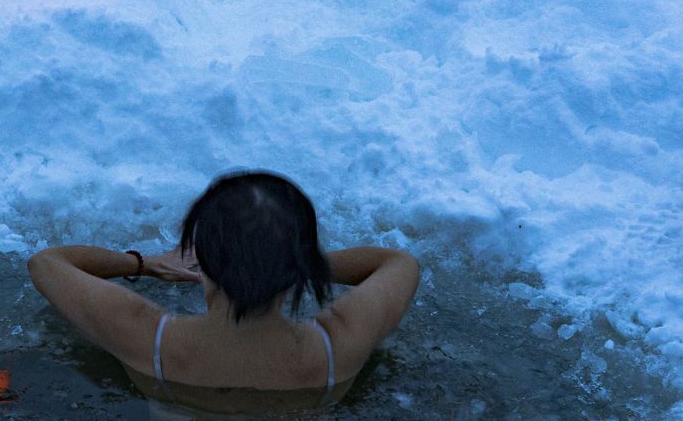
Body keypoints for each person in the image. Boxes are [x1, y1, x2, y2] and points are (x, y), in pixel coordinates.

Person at [26, 171, 420, 403]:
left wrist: (143, 264)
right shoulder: (338, 346)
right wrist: (302, 266)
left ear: (204, 257)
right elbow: (400, 263)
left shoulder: (150, 341)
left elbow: (47, 263)